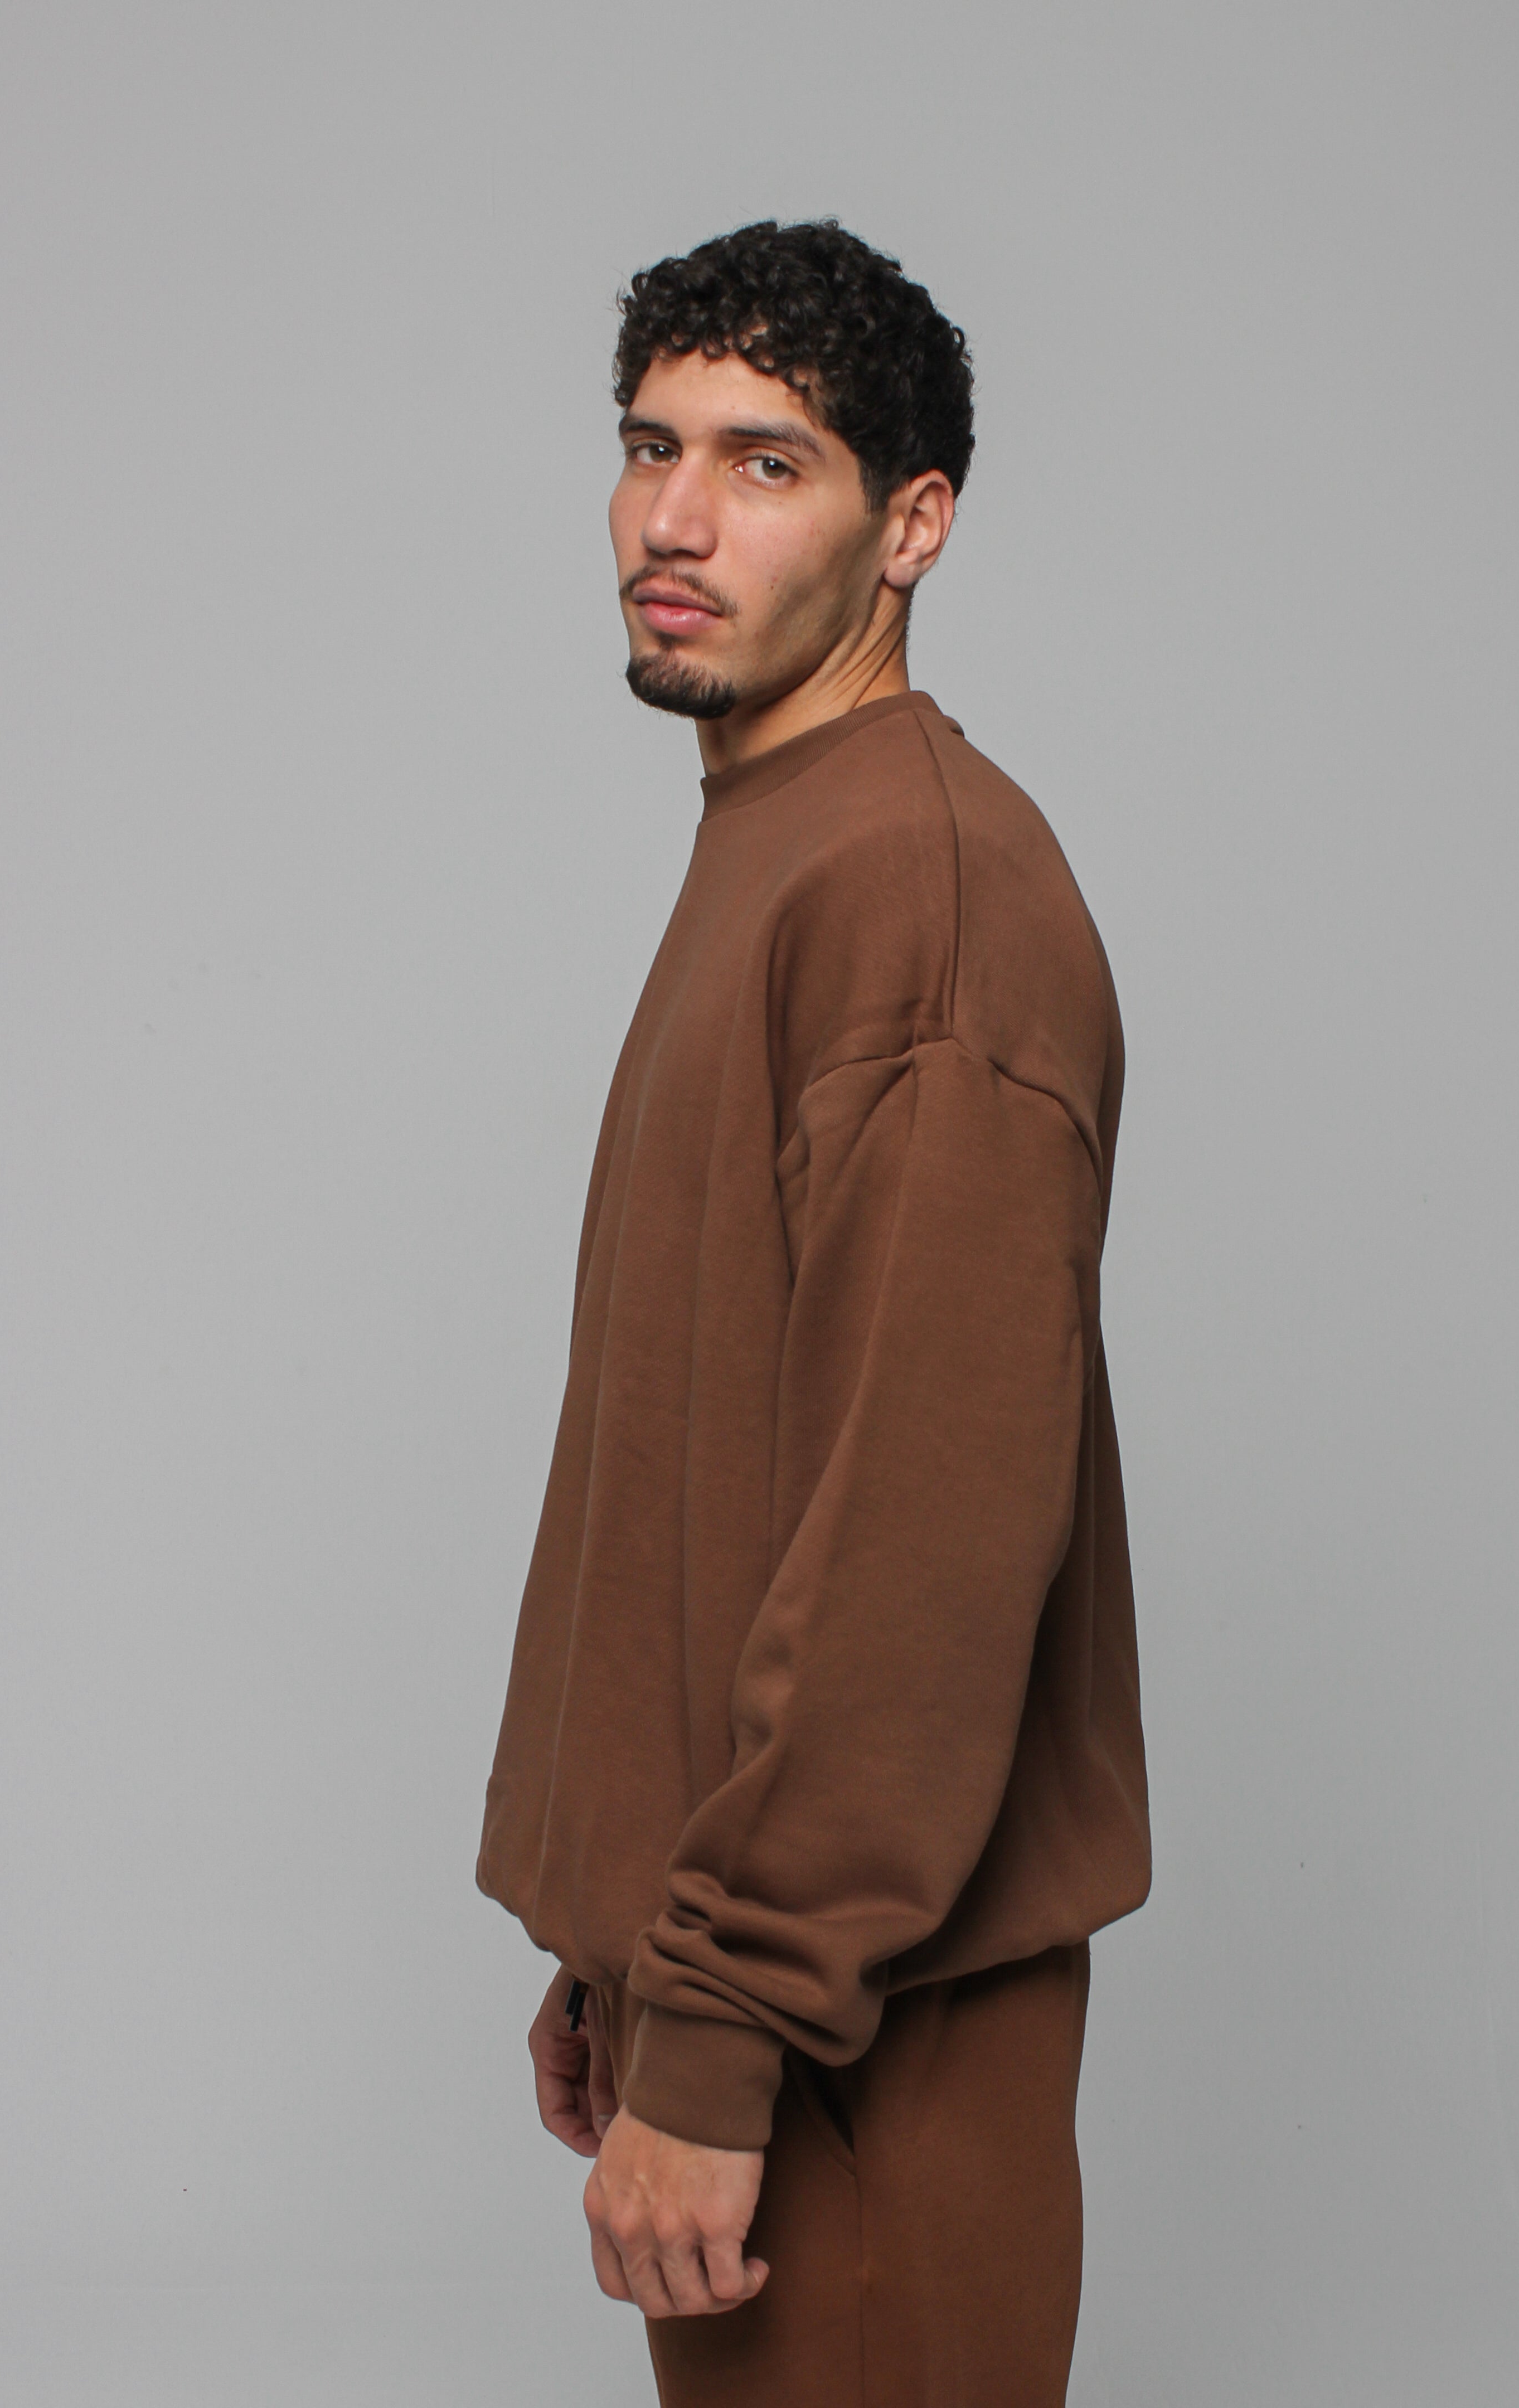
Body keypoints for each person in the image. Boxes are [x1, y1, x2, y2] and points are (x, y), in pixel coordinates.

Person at [477, 218, 1152, 2408]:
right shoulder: (789, 835)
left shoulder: (917, 891)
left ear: (912, 525)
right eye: (650, 446)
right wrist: (631, 1941)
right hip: (762, 1994)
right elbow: (723, 1450)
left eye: (765, 463)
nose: (673, 521)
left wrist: (731, 2012)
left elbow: (916, 1559)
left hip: (866, 2047)